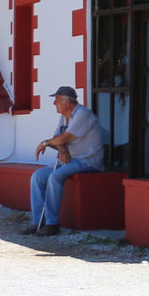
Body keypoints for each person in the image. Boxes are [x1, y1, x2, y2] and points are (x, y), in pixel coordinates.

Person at [25, 86, 106, 236]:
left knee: (55, 177)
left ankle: (52, 224)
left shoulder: (83, 114)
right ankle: (37, 222)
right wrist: (61, 147)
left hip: (87, 160)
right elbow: (58, 139)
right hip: (70, 159)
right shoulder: (63, 117)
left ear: (67, 102)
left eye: (56, 100)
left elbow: (62, 138)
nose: (54, 104)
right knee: (38, 176)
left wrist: (45, 143)